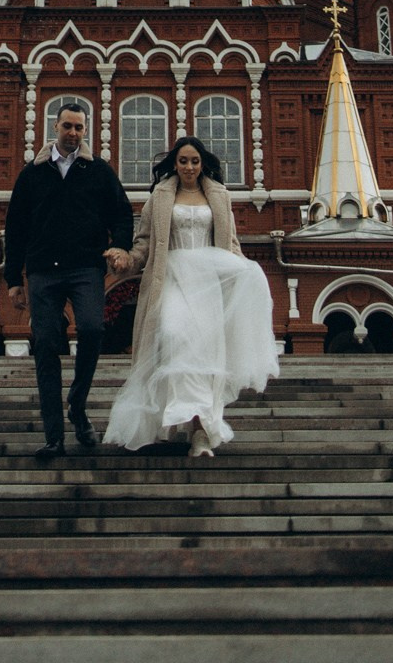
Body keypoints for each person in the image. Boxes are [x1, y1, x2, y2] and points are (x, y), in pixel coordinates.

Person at [103, 135, 276, 457]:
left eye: (194, 161)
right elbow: (145, 243)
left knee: (204, 355)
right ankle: (173, 419)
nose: (189, 167)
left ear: (202, 163)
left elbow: (231, 243)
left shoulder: (219, 196)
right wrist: (127, 260)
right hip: (170, 278)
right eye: (183, 161)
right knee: (174, 337)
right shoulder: (161, 196)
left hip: (208, 282)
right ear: (174, 163)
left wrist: (243, 270)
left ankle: (198, 430)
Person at [4, 102, 133, 462]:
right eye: (67, 126)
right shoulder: (33, 173)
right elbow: (15, 227)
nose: (73, 133)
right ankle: (54, 437)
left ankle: (77, 403)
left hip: (85, 269)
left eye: (79, 127)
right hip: (43, 271)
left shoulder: (98, 171)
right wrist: (14, 279)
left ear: (84, 131)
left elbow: (122, 213)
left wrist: (120, 246)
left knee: (92, 329)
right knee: (45, 346)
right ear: (55, 127)